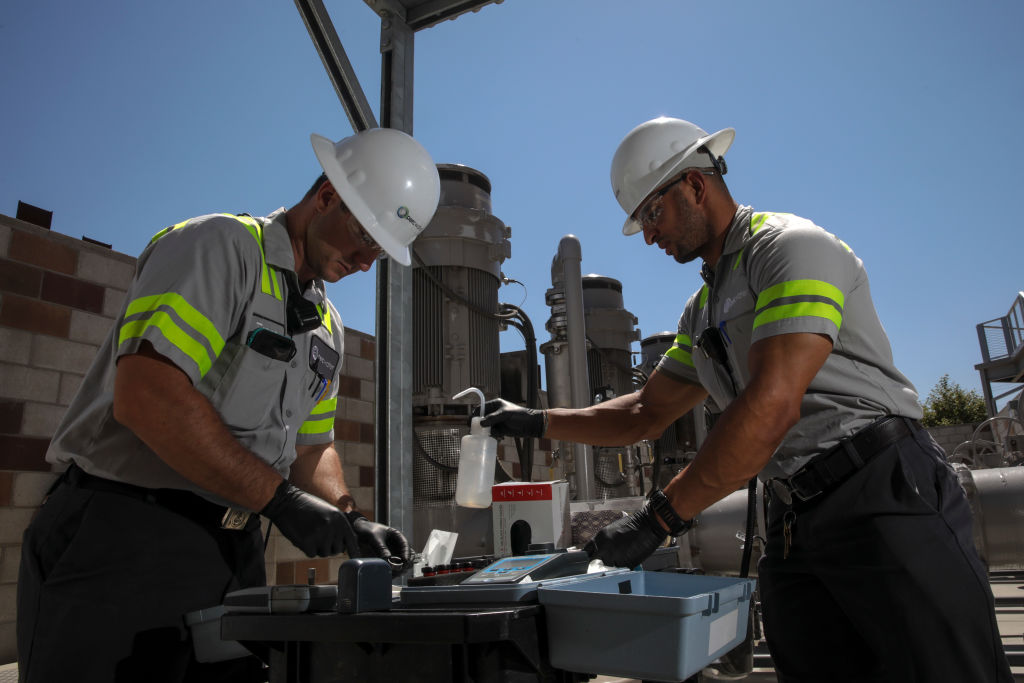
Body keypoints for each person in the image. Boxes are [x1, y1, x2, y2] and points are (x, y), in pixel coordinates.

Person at [483, 117, 1012, 682]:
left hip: (881, 492)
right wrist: (534, 421)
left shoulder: (790, 249)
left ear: (694, 183)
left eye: (652, 214)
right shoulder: (701, 310)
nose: (651, 235)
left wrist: (656, 520)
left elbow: (770, 407)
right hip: (794, 520)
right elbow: (646, 411)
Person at [17, 127, 440, 683]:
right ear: (327, 196)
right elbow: (146, 395)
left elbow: (313, 446)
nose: (366, 260)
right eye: (364, 236)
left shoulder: (327, 329)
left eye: (381, 251)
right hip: (123, 538)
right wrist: (283, 502)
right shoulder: (220, 248)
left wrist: (350, 517)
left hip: (231, 552)